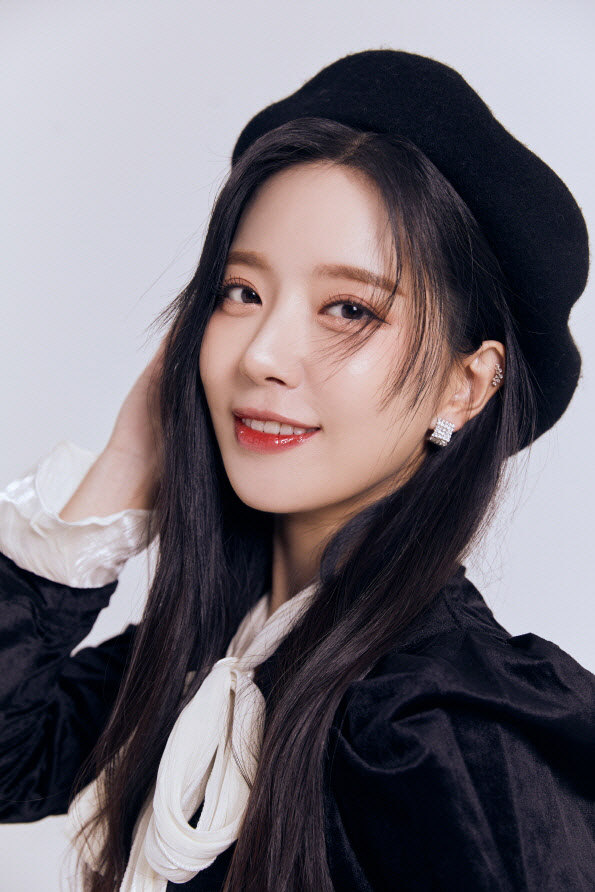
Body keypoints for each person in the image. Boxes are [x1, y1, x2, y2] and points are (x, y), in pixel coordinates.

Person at [0, 49, 594, 892]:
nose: (262, 355)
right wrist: (128, 462)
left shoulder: (444, 726)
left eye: (348, 308)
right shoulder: (219, 650)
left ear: (464, 386)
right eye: (240, 292)